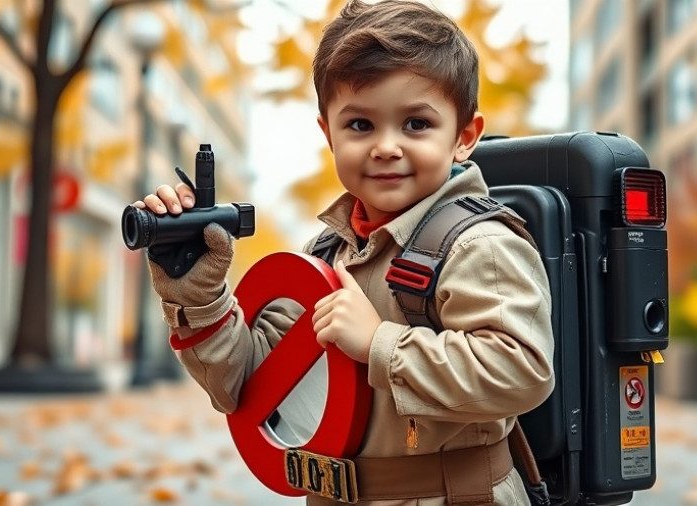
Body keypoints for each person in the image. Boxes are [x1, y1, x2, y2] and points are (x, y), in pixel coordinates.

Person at [132, 0, 554, 504]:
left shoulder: (478, 245)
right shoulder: (326, 252)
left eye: (416, 124)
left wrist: (380, 343)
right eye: (360, 125)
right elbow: (245, 386)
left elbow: (522, 372)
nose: (386, 147)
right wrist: (198, 293)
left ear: (464, 137)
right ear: (327, 133)